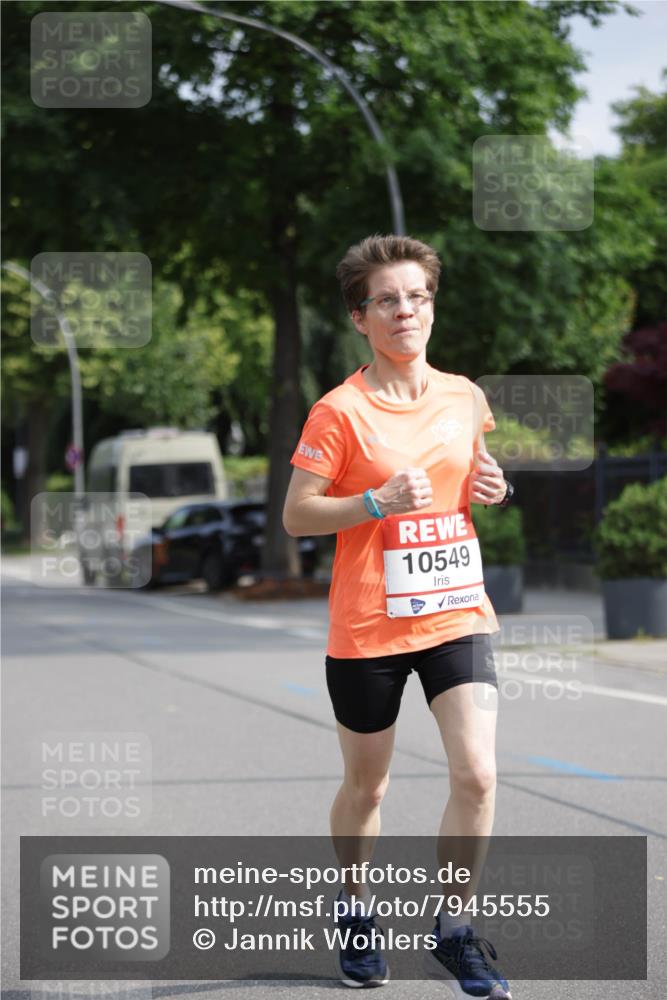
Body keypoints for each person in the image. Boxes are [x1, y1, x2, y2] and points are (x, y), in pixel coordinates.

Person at [283, 235, 513, 998]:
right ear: (360, 317)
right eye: (386, 299)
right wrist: (374, 502)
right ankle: (353, 906)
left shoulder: (463, 396)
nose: (404, 310)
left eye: (416, 295)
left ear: (430, 305)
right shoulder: (337, 412)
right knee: (368, 790)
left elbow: (468, 478)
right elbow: (297, 516)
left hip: (455, 614)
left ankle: (452, 927)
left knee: (476, 773)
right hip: (368, 626)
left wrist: (492, 486)